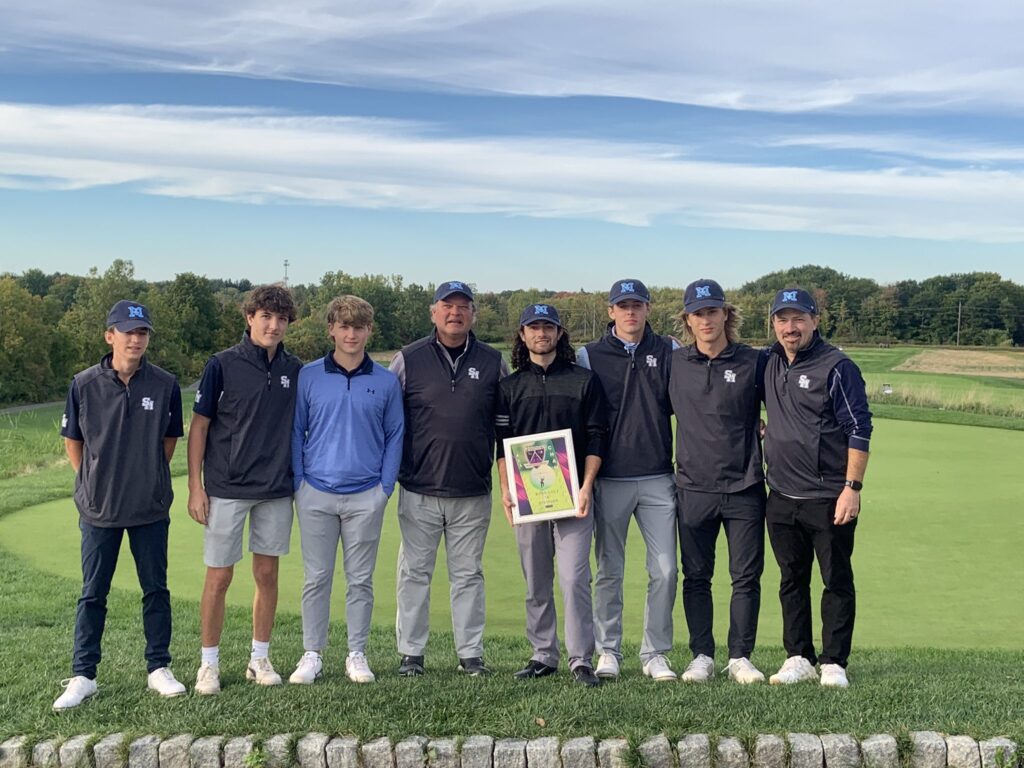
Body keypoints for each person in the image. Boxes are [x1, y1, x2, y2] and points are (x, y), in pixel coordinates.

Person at [53, 300, 186, 710]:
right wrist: (92, 481)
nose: (136, 339)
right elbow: (73, 442)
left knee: (155, 589)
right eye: (128, 332)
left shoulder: (164, 384)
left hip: (149, 505)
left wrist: (148, 475)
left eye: (142, 332)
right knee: (93, 593)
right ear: (110, 335)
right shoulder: (83, 384)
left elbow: (168, 441)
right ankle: (84, 674)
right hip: (99, 508)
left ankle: (158, 667)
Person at [187, 285, 302, 694]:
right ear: (250, 317)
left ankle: (259, 658)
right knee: (219, 577)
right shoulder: (221, 364)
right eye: (266, 317)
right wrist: (195, 486)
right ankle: (209, 664)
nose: (274, 326)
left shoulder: (295, 368)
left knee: (267, 574)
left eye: (282, 319)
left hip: (275, 487)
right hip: (226, 485)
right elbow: (199, 426)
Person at [389, 281, 507, 676]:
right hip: (418, 487)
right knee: (414, 573)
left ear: (474, 314)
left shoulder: (493, 361)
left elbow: (506, 425)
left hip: (472, 489)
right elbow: (389, 423)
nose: (455, 313)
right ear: (433, 311)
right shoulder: (407, 359)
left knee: (468, 575)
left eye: (463, 306)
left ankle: (470, 655)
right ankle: (411, 654)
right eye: (447, 305)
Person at [288, 296, 404, 685]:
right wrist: (299, 483)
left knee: (360, 579)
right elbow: (296, 430)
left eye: (358, 327)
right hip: (315, 491)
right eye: (344, 327)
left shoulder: (386, 381)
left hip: (366, 494)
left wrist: (384, 488)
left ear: (369, 330)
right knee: (316, 577)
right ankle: (312, 653)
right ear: (331, 330)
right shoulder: (309, 376)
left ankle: (357, 653)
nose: (351, 334)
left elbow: (395, 434)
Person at [762, 288, 872, 688]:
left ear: (815, 321)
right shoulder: (768, 360)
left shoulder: (838, 366)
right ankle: (798, 657)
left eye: (798, 319)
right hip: (781, 494)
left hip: (828, 496)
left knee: (835, 579)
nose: (790, 327)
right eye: (782, 319)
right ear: (774, 323)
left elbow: (859, 427)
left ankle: (834, 661)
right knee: (791, 579)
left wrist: (852, 487)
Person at [496, 304, 609, 687]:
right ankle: (543, 654)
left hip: (574, 496)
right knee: (536, 580)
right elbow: (502, 444)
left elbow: (596, 436)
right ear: (523, 334)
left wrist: (586, 486)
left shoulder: (583, 380)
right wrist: (506, 489)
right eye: (534, 327)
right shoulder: (510, 387)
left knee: (574, 578)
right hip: (528, 499)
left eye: (548, 327)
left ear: (559, 333)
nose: (541, 333)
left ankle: (581, 659)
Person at [576, 279, 678, 681]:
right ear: (611, 311)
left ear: (648, 309)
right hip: (610, 477)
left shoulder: (669, 349)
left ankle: (655, 653)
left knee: (665, 570)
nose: (630, 312)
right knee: (609, 570)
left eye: (637, 305)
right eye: (623, 306)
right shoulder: (589, 355)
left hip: (658, 476)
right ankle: (609, 651)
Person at [669, 279, 768, 685]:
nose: (706, 320)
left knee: (745, 577)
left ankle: (740, 657)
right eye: (698, 314)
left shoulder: (754, 361)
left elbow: (786, 404)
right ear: (688, 320)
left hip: (745, 485)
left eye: (712, 311)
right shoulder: (675, 363)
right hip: (693, 487)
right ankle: (702, 656)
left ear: (726, 314)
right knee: (696, 576)